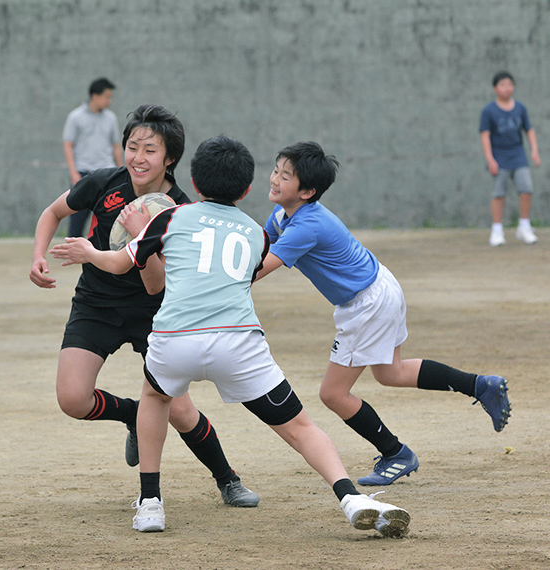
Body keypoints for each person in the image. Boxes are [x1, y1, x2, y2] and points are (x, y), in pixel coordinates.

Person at [50, 135, 411, 537]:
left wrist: (92, 251)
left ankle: (150, 503)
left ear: (195, 181)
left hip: (177, 338)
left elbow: (120, 264)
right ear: (247, 189)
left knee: (154, 398)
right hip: (239, 345)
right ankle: (350, 497)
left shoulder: (169, 218)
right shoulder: (258, 233)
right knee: (301, 427)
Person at [30, 105, 260, 508]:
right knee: (72, 399)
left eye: (150, 150)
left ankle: (228, 479)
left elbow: (157, 284)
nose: (138, 157)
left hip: (155, 313)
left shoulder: (182, 211)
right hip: (97, 304)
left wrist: (139, 237)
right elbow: (54, 212)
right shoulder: (104, 183)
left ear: (170, 158)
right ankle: (133, 415)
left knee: (180, 411)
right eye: (132, 147)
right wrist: (37, 256)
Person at [252, 141, 511, 487]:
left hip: (367, 303)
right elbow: (259, 243)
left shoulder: (305, 226)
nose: (275, 179)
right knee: (392, 372)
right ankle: (480, 385)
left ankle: (395, 452)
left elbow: (257, 269)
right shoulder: (284, 214)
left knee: (333, 394)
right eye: (276, 170)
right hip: (378, 287)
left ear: (307, 191)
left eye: (286, 176)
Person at [479, 71, 541, 246]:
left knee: (526, 189)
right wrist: (490, 159)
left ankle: (524, 227)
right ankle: (497, 230)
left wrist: (534, 151)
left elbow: (529, 130)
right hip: (499, 158)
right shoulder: (489, 111)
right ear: (495, 88)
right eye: (502, 85)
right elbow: (485, 135)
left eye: (509, 84)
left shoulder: (520, 108)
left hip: (518, 156)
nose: (507, 88)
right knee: (499, 194)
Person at [63, 77, 124, 237]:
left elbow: (116, 146)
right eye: (106, 97)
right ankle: (70, 253)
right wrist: (74, 173)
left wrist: (121, 171)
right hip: (84, 174)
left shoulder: (111, 118)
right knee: (77, 220)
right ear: (95, 96)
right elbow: (68, 145)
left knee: (110, 220)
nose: (108, 101)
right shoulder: (75, 117)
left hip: (108, 175)